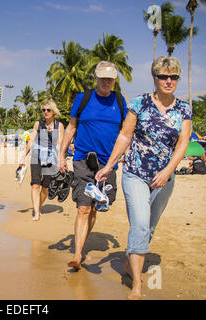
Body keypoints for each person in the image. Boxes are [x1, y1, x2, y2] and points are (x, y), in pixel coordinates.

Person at [95, 56, 192, 300]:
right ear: (155, 78)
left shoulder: (184, 109)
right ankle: (137, 284)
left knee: (148, 227)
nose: (168, 81)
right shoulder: (140, 103)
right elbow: (125, 136)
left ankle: (130, 261)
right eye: (163, 76)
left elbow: (182, 144)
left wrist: (169, 171)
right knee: (139, 223)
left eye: (173, 77)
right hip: (135, 173)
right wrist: (109, 166)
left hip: (164, 177)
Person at [59, 61, 128, 270]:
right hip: (82, 161)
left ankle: (82, 244)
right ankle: (78, 254)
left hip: (108, 165)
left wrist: (121, 156)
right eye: (102, 77)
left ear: (114, 80)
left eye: (110, 78)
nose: (106, 81)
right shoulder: (83, 98)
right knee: (82, 208)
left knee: (95, 208)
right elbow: (71, 128)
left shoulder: (120, 101)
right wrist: (61, 155)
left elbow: (126, 132)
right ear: (96, 78)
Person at [19, 100, 64, 221]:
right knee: (35, 184)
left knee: (45, 187)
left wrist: (61, 160)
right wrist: (23, 156)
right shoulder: (38, 124)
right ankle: (36, 212)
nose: (45, 112)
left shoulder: (59, 126)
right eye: (43, 110)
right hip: (36, 155)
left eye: (48, 110)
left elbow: (60, 144)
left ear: (53, 112)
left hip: (51, 158)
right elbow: (31, 141)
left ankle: (38, 206)